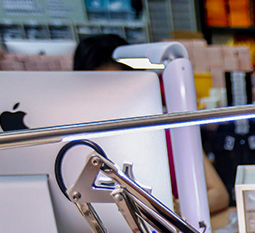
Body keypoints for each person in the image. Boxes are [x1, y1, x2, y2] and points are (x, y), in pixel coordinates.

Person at [73, 34, 231, 218]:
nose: (109, 99)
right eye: (99, 90)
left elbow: (219, 194)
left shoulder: (166, 128)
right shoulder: (74, 141)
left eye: (116, 87)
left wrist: (175, 210)